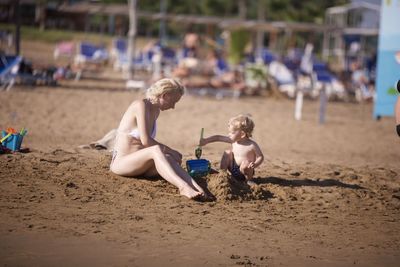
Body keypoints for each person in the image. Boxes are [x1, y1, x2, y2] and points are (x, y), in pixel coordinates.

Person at [110, 78, 209, 201]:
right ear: (164, 95)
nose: (173, 107)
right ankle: (183, 187)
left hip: (141, 165)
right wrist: (170, 150)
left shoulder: (156, 110)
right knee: (156, 150)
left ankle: (196, 187)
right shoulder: (140, 105)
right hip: (122, 164)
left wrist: (170, 153)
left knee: (168, 158)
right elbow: (146, 141)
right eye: (173, 102)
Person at [199, 114, 264, 185]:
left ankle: (249, 180)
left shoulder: (252, 145)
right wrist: (206, 141)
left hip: (245, 171)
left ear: (242, 134)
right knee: (228, 152)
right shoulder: (233, 140)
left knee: (246, 163)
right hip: (233, 168)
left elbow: (260, 156)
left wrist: (255, 164)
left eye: (232, 133)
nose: (229, 134)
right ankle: (222, 173)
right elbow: (218, 137)